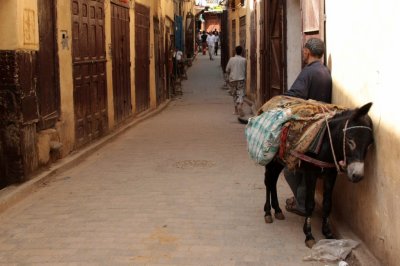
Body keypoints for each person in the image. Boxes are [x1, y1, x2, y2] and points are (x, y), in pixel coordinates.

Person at [283, 37, 332, 216]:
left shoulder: (308, 72)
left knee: (290, 169)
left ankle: (302, 203)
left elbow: (295, 95)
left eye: (304, 50)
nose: (303, 53)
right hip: (322, 126)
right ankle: (302, 200)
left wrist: (281, 101)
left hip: (308, 128)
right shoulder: (325, 71)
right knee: (305, 169)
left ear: (307, 52)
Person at [226, 46, 247, 117]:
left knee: (234, 94)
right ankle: (240, 104)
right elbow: (246, 70)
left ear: (235, 51)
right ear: (241, 52)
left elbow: (227, 69)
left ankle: (236, 110)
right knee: (241, 93)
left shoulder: (231, 59)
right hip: (241, 79)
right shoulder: (244, 60)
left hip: (232, 79)